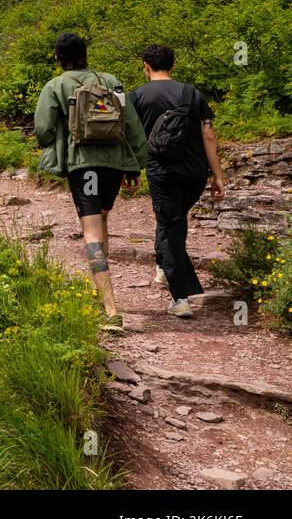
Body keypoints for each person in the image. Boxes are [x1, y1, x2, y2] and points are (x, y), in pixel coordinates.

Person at [34, 33, 147, 331]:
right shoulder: (112, 81)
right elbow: (132, 124)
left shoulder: (56, 86)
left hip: (84, 167)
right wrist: (135, 166)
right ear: (86, 54)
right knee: (103, 219)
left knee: (91, 233)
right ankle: (100, 291)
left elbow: (43, 131)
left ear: (59, 59)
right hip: (114, 165)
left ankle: (111, 311)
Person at [128, 44, 225, 318]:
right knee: (172, 220)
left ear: (146, 65)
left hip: (162, 171)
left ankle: (181, 297)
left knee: (171, 225)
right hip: (195, 172)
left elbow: (131, 138)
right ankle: (163, 267)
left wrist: (132, 170)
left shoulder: (137, 96)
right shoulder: (191, 93)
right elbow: (209, 136)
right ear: (173, 65)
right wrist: (217, 174)